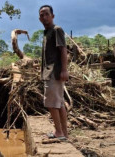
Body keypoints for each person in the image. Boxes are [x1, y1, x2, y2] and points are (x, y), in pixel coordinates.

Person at [39, 5, 69, 139]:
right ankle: (64, 133)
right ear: (39, 18)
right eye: (41, 15)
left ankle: (58, 132)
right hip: (49, 72)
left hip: (54, 72)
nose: (44, 17)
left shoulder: (57, 30)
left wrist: (64, 70)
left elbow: (63, 50)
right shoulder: (47, 32)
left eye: (46, 14)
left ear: (52, 16)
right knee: (59, 103)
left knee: (51, 103)